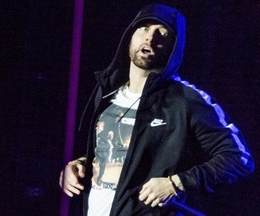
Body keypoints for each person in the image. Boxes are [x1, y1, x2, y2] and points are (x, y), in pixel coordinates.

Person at [59, 3, 254, 216]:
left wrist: (177, 183)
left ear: (174, 47)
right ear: (130, 36)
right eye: (144, 28)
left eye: (162, 33)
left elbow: (239, 158)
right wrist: (80, 165)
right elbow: (122, 153)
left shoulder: (186, 99)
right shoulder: (107, 94)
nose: (150, 38)